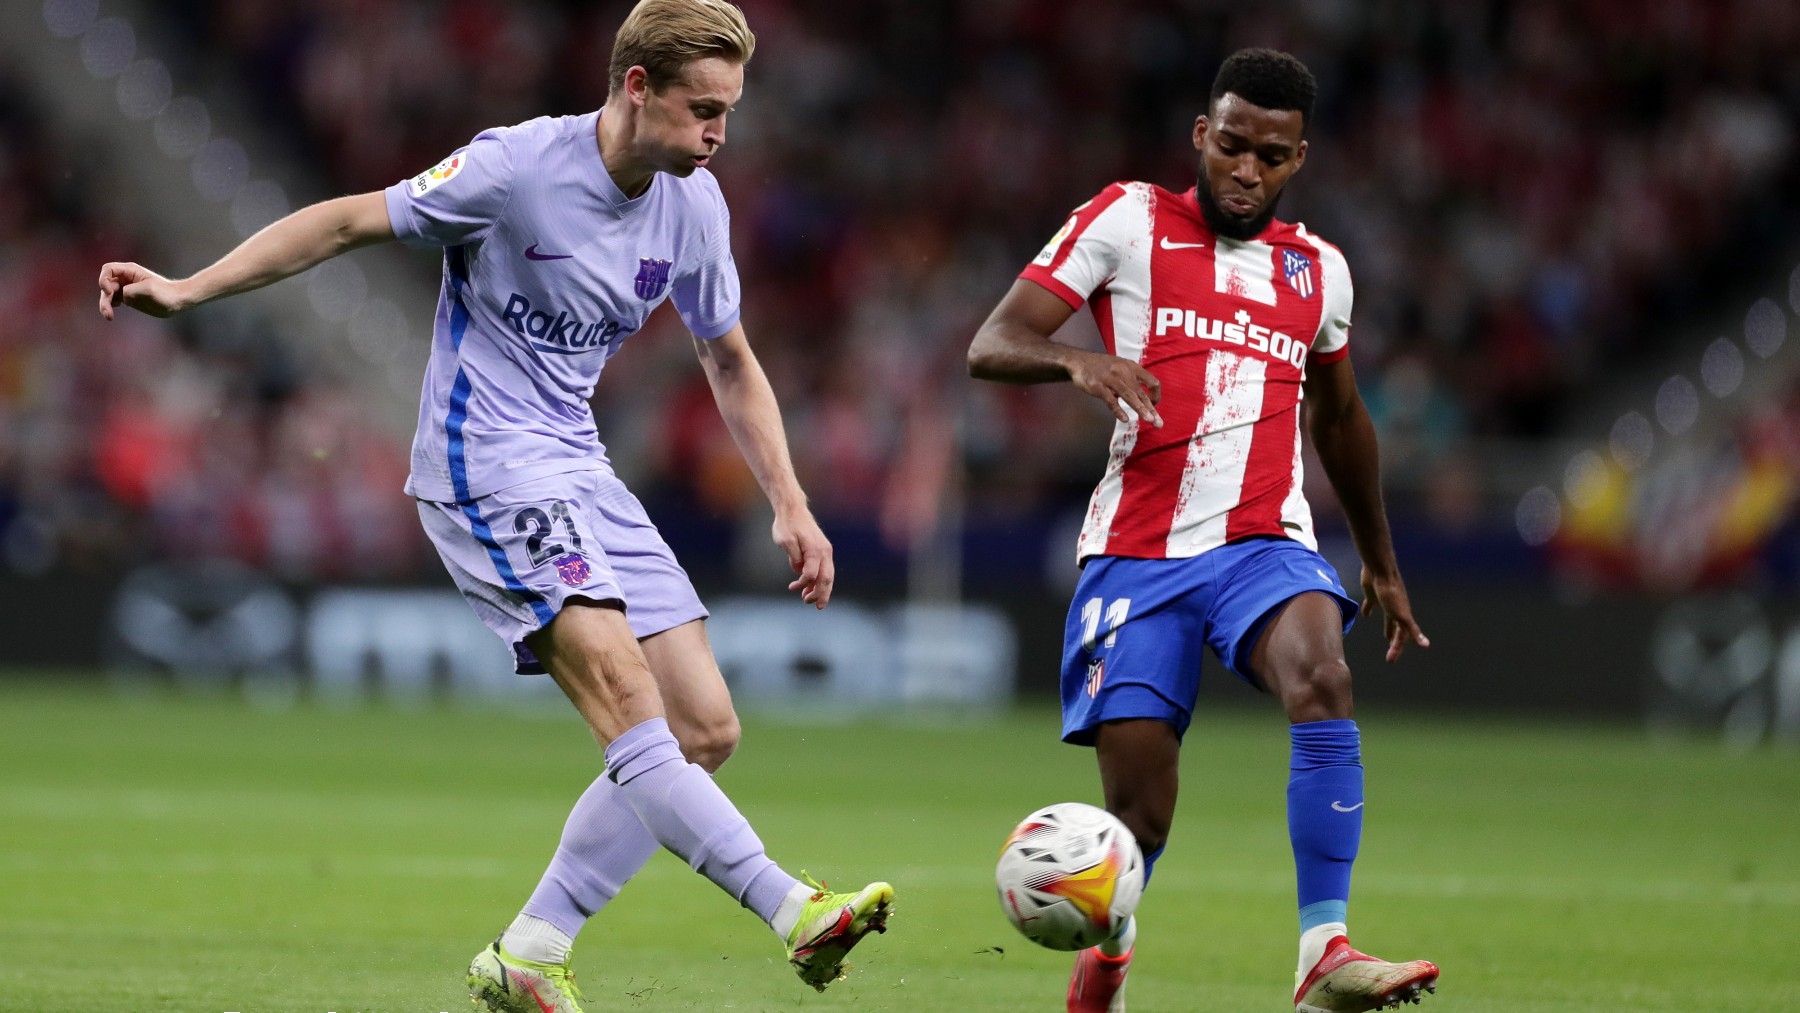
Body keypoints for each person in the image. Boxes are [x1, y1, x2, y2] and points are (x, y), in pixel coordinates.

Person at [96, 2, 892, 1010]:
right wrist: (190, 288)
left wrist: (792, 500)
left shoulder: (694, 206)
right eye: (702, 110)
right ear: (635, 87)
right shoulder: (515, 170)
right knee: (629, 702)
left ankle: (532, 944)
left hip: (579, 466)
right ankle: (791, 906)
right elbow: (346, 218)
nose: (717, 134)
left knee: (703, 726)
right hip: (485, 463)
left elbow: (728, 355)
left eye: (728, 111)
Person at [967, 48, 1439, 1013]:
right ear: (1201, 135)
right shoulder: (1127, 220)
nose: (1246, 170)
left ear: (1298, 158)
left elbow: (1342, 421)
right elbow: (991, 343)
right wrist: (1077, 364)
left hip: (1265, 542)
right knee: (1139, 814)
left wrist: (1382, 565)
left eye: (1271, 154)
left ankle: (1324, 950)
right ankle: (1109, 956)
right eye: (1231, 146)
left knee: (1323, 675)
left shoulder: (1319, 272)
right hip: (1137, 552)